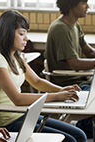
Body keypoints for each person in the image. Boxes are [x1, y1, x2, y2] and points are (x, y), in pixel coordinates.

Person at [0, 10, 87, 142]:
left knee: (79, 135)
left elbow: (37, 81)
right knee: (70, 140)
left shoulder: (15, 55)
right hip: (7, 124)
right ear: (7, 34)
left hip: (22, 115)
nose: (26, 38)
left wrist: (61, 90)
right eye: (22, 34)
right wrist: (55, 96)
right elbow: (17, 99)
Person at [44, 0, 94, 138]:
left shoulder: (74, 25)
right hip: (68, 84)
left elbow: (89, 52)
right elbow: (75, 64)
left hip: (80, 80)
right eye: (84, 3)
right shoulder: (61, 28)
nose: (87, 7)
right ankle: (84, 127)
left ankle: (86, 126)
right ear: (72, 5)